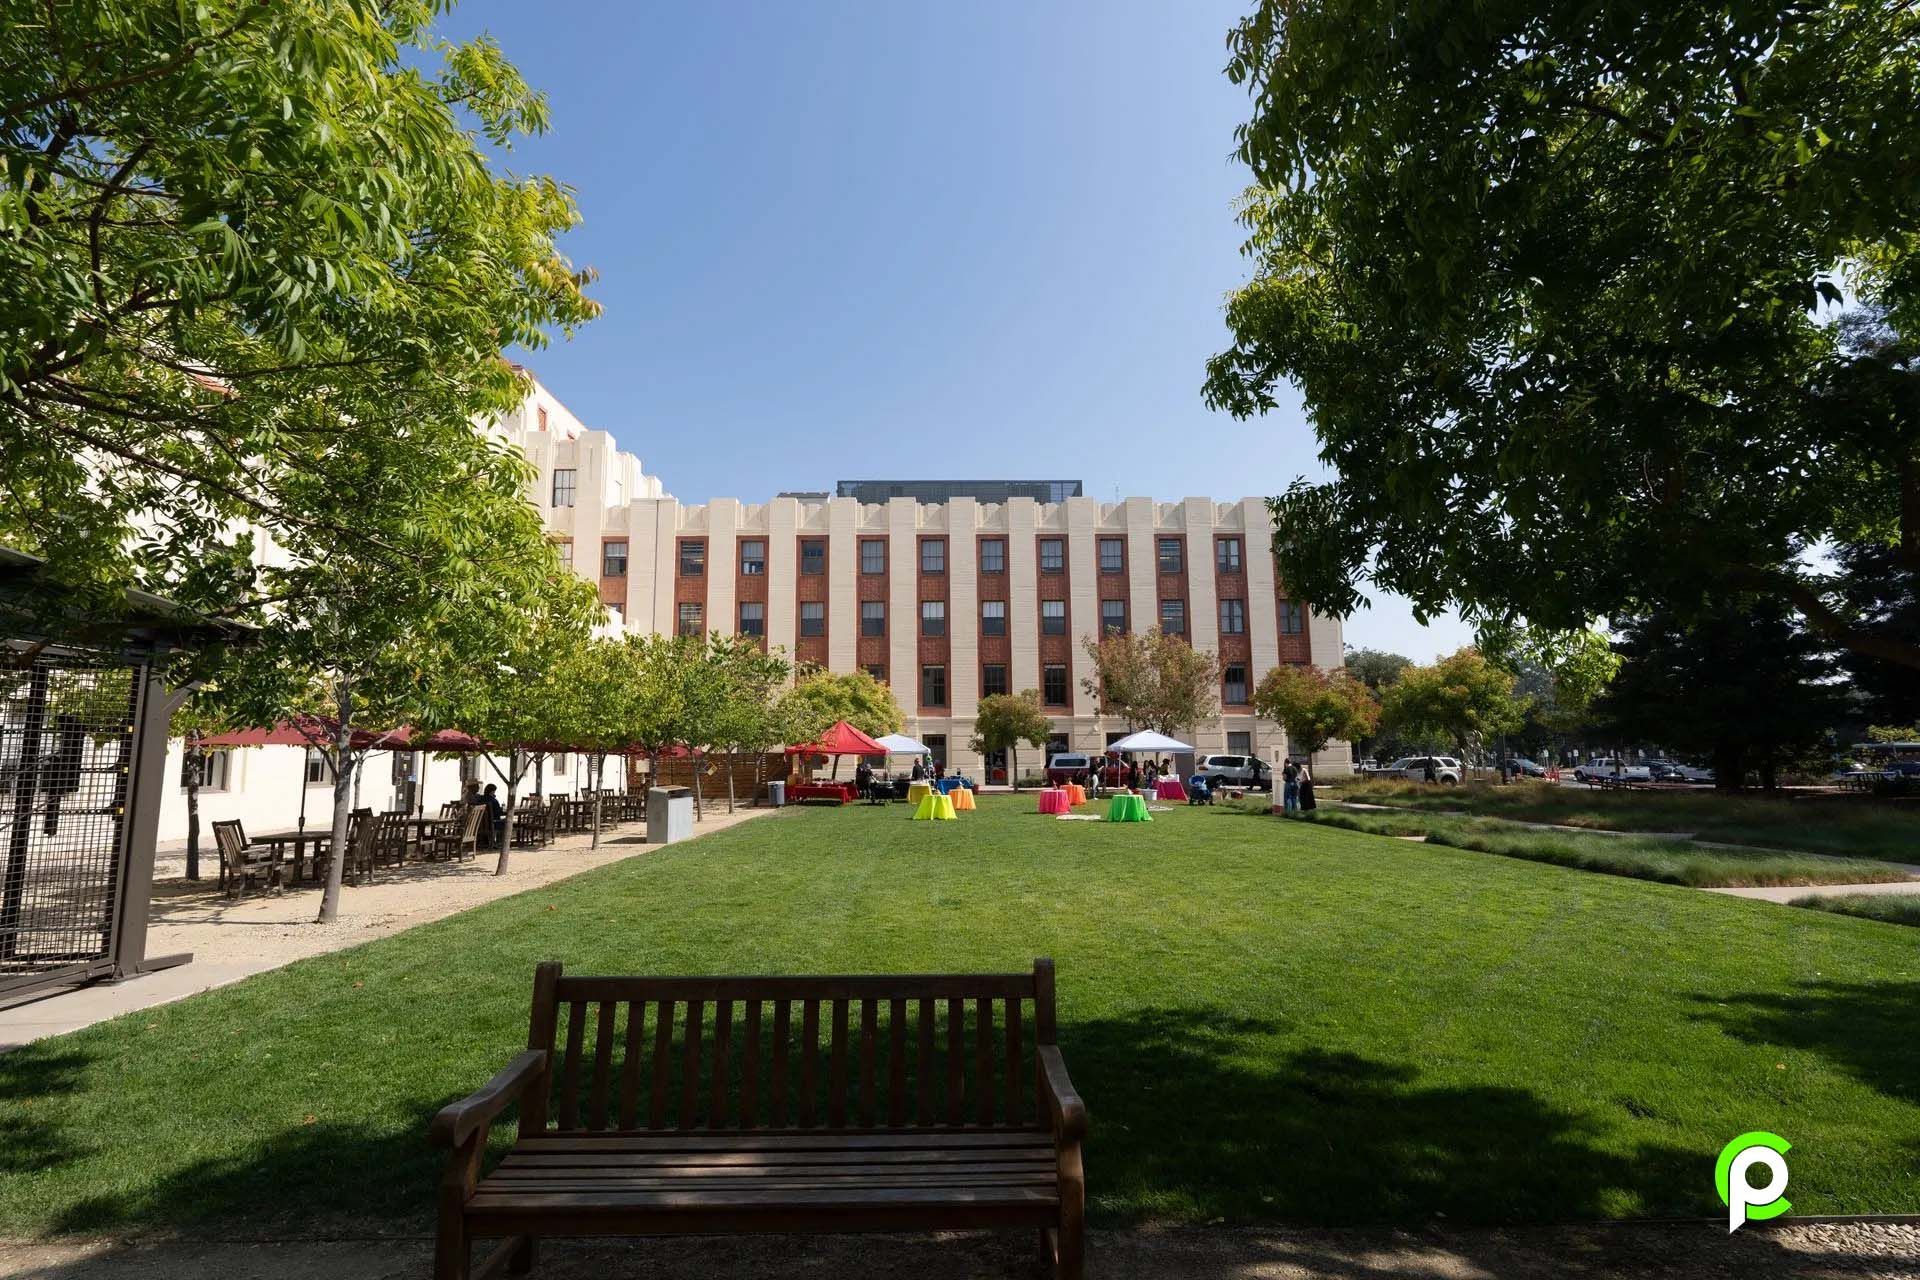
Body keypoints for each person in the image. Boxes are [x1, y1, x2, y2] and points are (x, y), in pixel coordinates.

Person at [481, 783, 505, 848]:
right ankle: (499, 842)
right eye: (494, 791)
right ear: (492, 791)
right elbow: (499, 812)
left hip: (483, 824)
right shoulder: (493, 800)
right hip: (493, 822)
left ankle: (492, 842)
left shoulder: (481, 799)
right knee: (506, 822)